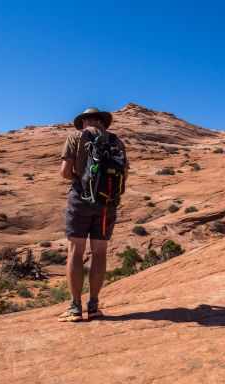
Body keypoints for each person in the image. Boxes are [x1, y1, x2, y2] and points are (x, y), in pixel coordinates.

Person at [58, 107, 128, 322]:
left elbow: (64, 172)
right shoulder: (117, 142)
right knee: (99, 253)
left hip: (80, 199)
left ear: (85, 121)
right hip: (107, 204)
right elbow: (123, 176)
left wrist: (82, 180)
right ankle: (94, 306)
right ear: (102, 122)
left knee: (75, 251)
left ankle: (75, 307)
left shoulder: (76, 137)